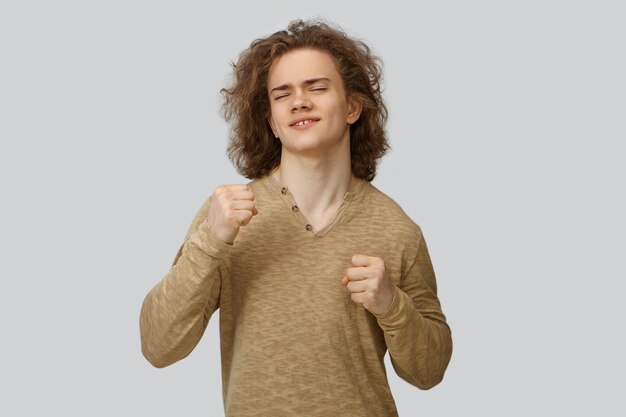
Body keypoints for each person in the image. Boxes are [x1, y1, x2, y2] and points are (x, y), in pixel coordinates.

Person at [140, 18, 452, 417]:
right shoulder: (226, 217)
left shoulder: (396, 227)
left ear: (353, 106)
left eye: (316, 88)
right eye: (282, 94)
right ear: (271, 121)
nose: (299, 102)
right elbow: (158, 346)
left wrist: (392, 304)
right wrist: (210, 242)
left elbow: (430, 371)